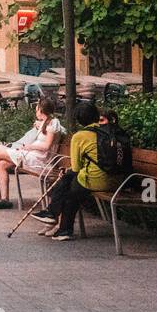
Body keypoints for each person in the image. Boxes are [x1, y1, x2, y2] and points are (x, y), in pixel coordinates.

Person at [35, 102, 120, 241]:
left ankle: (56, 219)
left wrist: (67, 171)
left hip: (97, 181)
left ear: (79, 120)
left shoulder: (80, 136)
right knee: (70, 184)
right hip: (119, 180)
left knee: (69, 188)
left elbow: (76, 168)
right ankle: (55, 219)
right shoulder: (109, 131)